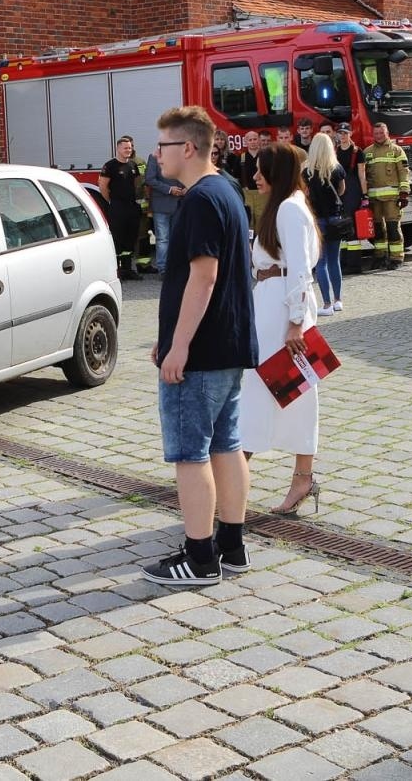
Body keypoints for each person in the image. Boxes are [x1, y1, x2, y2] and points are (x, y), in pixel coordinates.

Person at [143, 106, 258, 588]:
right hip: (227, 345)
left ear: (187, 148)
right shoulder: (225, 190)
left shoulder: (199, 200)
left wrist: (179, 346)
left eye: (163, 145)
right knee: (226, 446)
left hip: (203, 352)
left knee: (190, 454)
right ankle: (232, 545)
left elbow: (204, 277)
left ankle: (200, 557)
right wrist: (168, 335)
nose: (156, 154)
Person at [238, 142, 322, 515]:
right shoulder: (289, 205)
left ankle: (238, 468)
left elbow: (300, 269)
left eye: (261, 170)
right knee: (285, 391)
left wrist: (295, 323)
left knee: (270, 388)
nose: (255, 176)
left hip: (282, 313)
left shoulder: (289, 209)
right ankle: (296, 475)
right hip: (275, 307)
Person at [303, 132, 348, 315]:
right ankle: (338, 300)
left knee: (320, 262)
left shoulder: (307, 171)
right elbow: (342, 190)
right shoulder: (336, 168)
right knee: (334, 260)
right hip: (335, 218)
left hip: (317, 220)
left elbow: (305, 194)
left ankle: (327, 304)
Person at [361, 122, 412, 269]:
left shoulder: (397, 150)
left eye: (381, 133)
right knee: (377, 229)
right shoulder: (367, 152)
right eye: (376, 133)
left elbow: (403, 172)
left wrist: (404, 192)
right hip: (373, 198)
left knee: (392, 228)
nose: (379, 136)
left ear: (387, 133)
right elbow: (363, 175)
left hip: (392, 198)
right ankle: (380, 256)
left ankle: (396, 258)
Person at [100, 136, 144, 281]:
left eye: (130, 148)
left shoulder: (133, 165)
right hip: (118, 208)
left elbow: (136, 184)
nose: (128, 150)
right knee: (117, 238)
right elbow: (103, 187)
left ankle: (127, 269)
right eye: (125, 148)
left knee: (130, 238)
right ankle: (117, 270)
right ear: (118, 149)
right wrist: (112, 201)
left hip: (131, 207)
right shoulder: (110, 166)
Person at [143, 148, 184, 275]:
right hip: (162, 205)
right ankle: (163, 269)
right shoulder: (154, 157)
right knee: (162, 239)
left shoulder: (183, 155)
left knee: (177, 238)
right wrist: (169, 189)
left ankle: (176, 267)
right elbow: (150, 179)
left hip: (180, 204)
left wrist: (186, 188)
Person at [238, 131, 265, 225]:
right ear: (246, 142)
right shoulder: (241, 158)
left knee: (262, 220)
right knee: (248, 220)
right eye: (250, 140)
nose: (253, 142)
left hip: (263, 194)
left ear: (259, 140)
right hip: (247, 194)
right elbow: (237, 176)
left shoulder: (265, 156)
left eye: (255, 139)